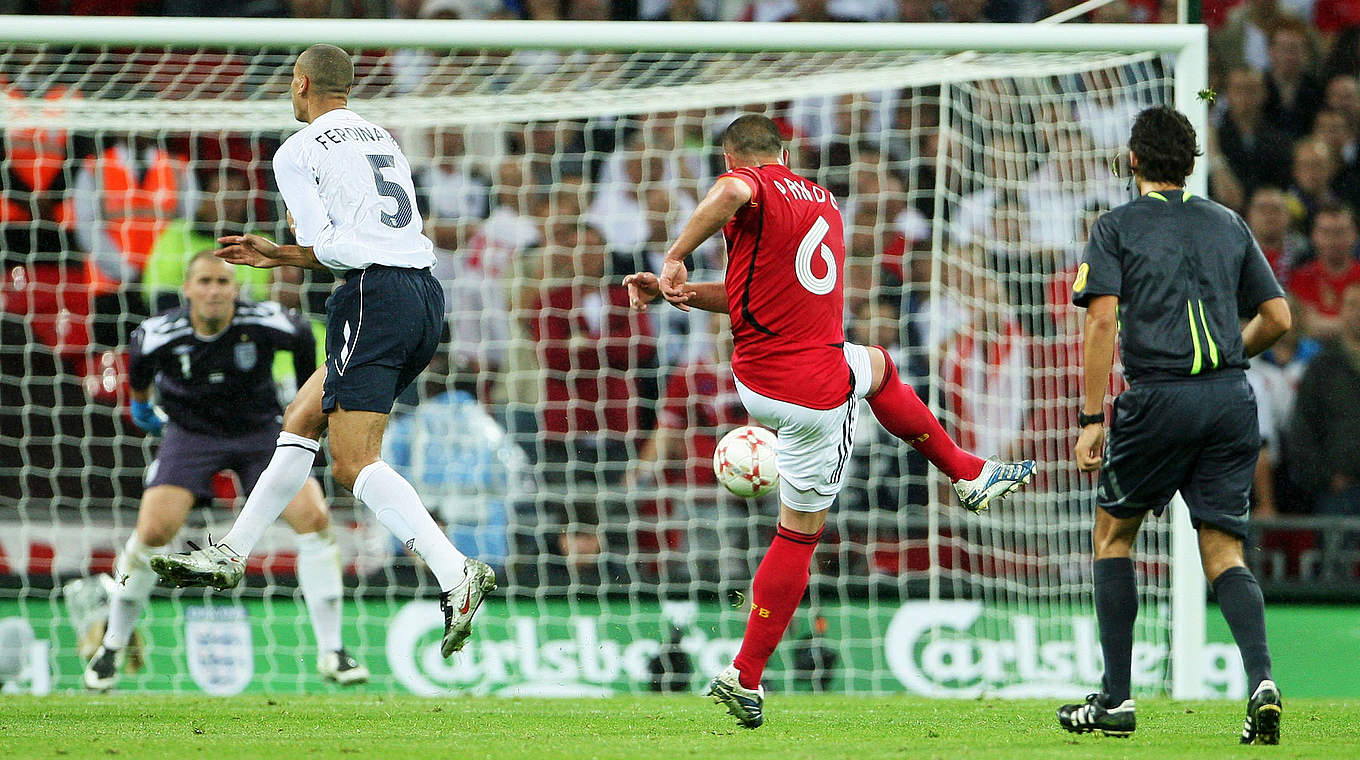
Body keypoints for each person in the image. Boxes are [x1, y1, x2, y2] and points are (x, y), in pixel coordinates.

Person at [623, 114, 1035, 729]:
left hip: (764, 377)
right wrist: (680, 256)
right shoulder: (824, 205)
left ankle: (968, 472)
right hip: (809, 392)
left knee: (875, 366)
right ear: (782, 152)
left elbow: (737, 246)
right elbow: (738, 196)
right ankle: (745, 674)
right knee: (801, 529)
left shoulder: (749, 193)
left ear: (731, 157)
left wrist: (673, 279)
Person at [149, 44, 496, 660]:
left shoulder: (297, 150)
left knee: (351, 461)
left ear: (300, 83)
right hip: (422, 296)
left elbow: (327, 247)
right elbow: (362, 237)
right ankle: (232, 553)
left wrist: (281, 246)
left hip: (371, 295)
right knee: (302, 418)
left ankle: (454, 572)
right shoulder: (380, 137)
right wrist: (283, 252)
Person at [1059, 106, 1291, 744]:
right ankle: (1263, 681)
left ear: (1132, 160)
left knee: (1114, 537)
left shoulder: (1116, 227)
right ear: (1191, 164)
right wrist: (1229, 355)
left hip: (1157, 397)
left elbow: (1102, 321)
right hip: (1229, 399)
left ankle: (1116, 699)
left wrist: (1089, 418)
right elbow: (1278, 317)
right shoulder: (1229, 222)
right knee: (1223, 550)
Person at [84, 252, 369, 690]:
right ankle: (112, 645)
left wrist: (296, 413)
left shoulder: (276, 323)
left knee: (314, 519)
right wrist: (160, 424)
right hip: (191, 433)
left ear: (236, 288)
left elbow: (306, 366)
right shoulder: (154, 335)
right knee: (155, 529)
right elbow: (139, 402)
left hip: (259, 431)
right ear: (187, 288)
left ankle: (333, 651)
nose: (214, 290)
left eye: (222, 281)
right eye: (205, 281)